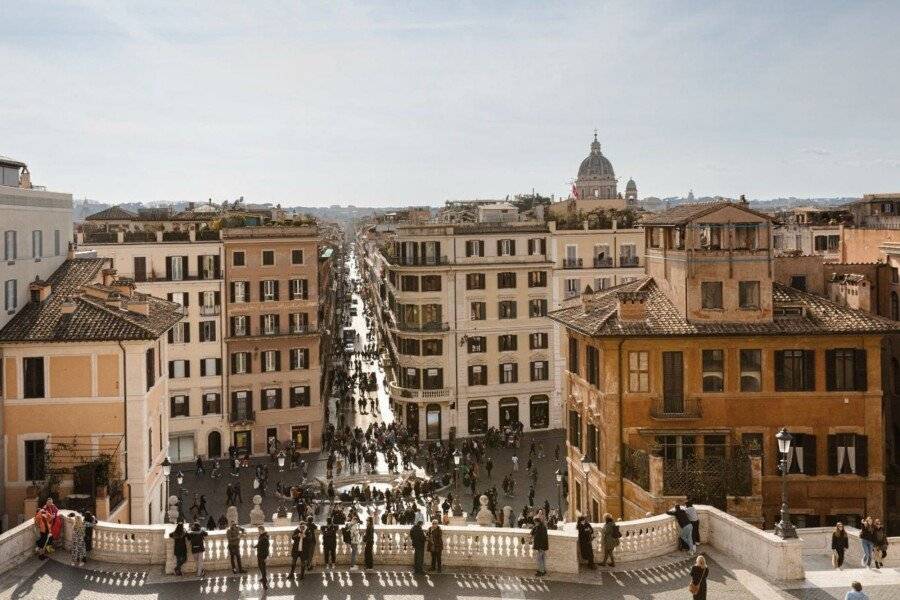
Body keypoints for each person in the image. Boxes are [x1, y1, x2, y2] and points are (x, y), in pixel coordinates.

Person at [530, 513, 549, 577]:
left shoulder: (542, 528)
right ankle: (543, 570)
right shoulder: (538, 527)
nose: (535, 523)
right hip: (541, 546)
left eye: (535, 522)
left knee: (539, 559)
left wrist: (541, 547)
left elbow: (543, 538)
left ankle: (541, 571)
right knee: (542, 558)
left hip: (541, 546)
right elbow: (532, 532)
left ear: (537, 521)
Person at [255, 526, 270, 591]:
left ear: (262, 530)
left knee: (263, 568)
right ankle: (264, 579)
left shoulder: (265, 537)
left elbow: (267, 547)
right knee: (260, 566)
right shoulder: (261, 536)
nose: (258, 531)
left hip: (263, 555)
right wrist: (255, 546)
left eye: (259, 530)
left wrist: (266, 556)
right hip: (260, 554)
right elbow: (259, 544)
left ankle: (264, 584)